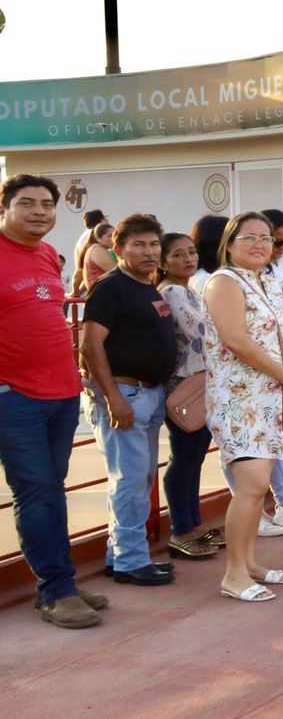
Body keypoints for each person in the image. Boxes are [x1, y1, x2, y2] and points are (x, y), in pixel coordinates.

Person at [0, 175, 111, 627]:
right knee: (38, 492)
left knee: (52, 491)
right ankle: (55, 591)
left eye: (47, 204)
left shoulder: (47, 253)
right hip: (14, 395)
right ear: (4, 208)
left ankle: (59, 577)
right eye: (26, 203)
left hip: (62, 392)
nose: (40, 211)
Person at [203, 212, 283, 601]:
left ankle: (249, 564)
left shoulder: (267, 281)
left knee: (259, 486)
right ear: (229, 243)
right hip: (240, 399)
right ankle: (234, 575)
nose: (259, 244)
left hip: (271, 398)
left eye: (266, 238)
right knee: (250, 488)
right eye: (248, 237)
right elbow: (236, 340)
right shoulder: (224, 283)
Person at [80, 214, 179, 588]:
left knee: (137, 478)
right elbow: (89, 345)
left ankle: (120, 554)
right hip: (126, 394)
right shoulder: (112, 287)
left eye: (154, 244)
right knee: (130, 480)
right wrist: (113, 398)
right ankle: (131, 561)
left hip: (148, 394)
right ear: (118, 250)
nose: (149, 251)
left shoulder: (146, 286)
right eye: (138, 244)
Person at [157, 233, 220, 561]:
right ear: (163, 262)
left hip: (198, 383)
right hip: (185, 386)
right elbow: (200, 333)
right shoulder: (172, 292)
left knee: (193, 456)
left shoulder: (188, 289)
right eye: (178, 254)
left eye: (191, 252)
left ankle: (192, 523)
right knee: (185, 458)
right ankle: (181, 529)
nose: (187, 259)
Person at [71, 208, 107, 295]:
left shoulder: (83, 238)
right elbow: (83, 268)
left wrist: (77, 291)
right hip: (98, 289)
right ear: (102, 220)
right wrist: (76, 291)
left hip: (91, 287)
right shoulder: (93, 238)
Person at [78, 221, 116, 295]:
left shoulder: (95, 249)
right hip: (102, 295)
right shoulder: (97, 250)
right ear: (98, 238)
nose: (113, 239)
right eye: (109, 236)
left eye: (115, 235)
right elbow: (117, 271)